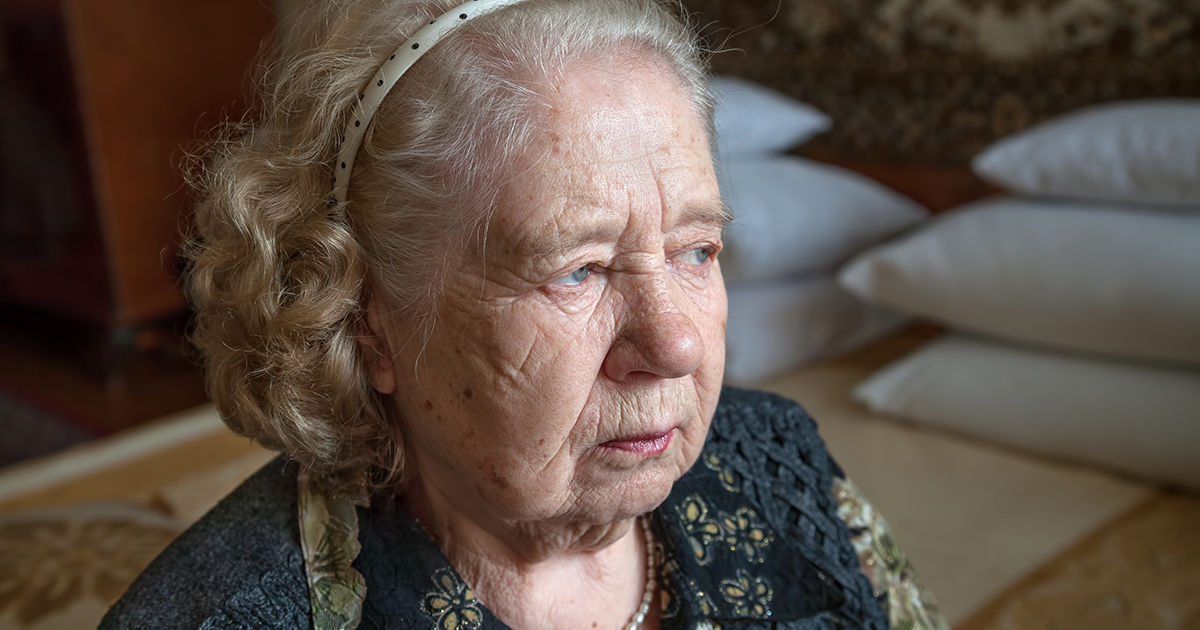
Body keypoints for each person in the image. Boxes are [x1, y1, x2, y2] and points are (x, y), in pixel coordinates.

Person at [102, 0, 948, 628]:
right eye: (578, 271)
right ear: (365, 317)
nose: (676, 343)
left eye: (696, 250)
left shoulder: (780, 465)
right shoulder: (228, 614)